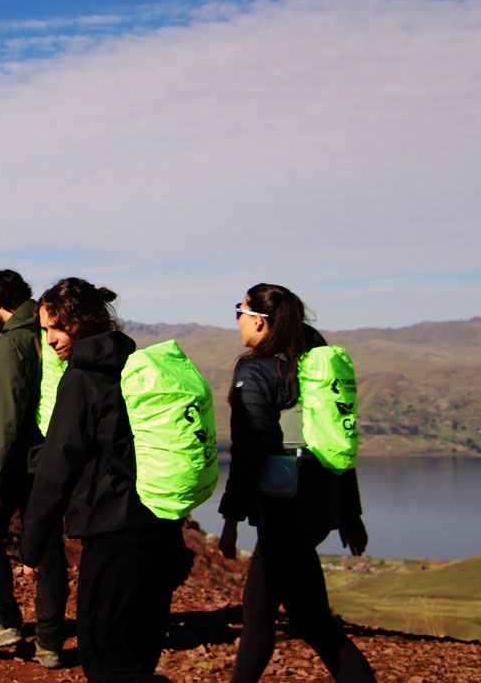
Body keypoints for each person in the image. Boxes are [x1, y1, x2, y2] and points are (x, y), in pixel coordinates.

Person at [21, 278, 187, 683]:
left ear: (74, 323)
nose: (49, 340)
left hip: (113, 531)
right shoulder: (132, 363)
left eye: (52, 328)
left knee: (105, 662)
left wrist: (31, 546)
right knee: (139, 653)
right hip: (158, 527)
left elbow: (56, 470)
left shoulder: (81, 380)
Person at [218, 284, 376, 683]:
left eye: (238, 311)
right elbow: (338, 443)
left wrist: (232, 517)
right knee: (294, 615)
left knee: (287, 620)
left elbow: (250, 448)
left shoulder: (255, 369)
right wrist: (348, 513)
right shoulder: (313, 365)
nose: (237, 320)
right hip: (318, 501)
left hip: (283, 509)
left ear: (258, 319)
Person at [0, 270, 68, 669]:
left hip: (19, 462)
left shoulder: (13, 342)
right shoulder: (46, 330)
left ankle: (5, 617)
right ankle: (50, 642)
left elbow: (7, 415)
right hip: (52, 458)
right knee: (48, 544)